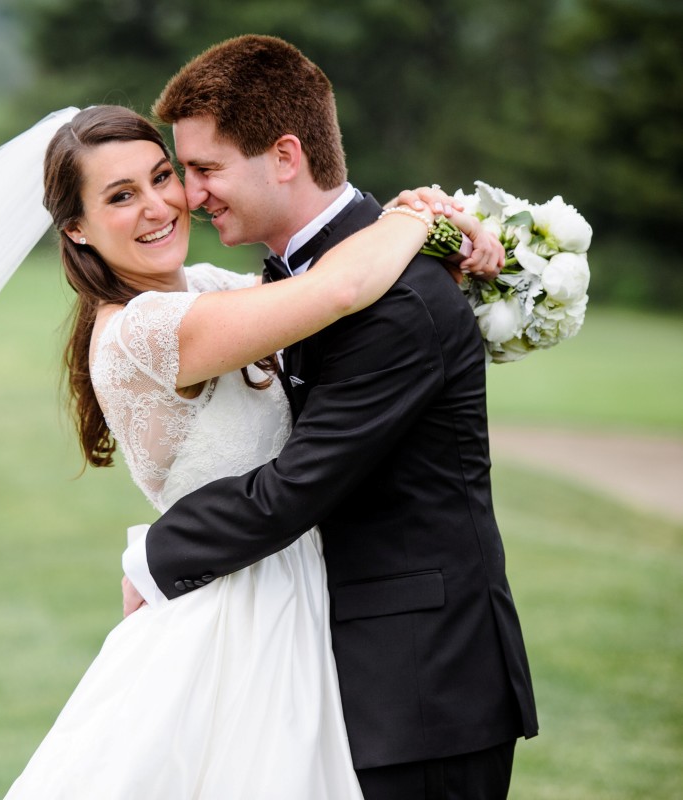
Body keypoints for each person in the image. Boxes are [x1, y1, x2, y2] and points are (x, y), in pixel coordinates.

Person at [0, 102, 498, 799]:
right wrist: (415, 218)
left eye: (162, 176)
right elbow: (339, 287)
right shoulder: (142, 333)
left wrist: (441, 223)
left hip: (303, 593)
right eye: (120, 196)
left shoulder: (208, 289)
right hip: (233, 616)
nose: (159, 206)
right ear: (76, 229)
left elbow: (322, 274)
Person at [121, 35, 539, 799]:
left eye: (206, 169)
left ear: (285, 156)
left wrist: (154, 557)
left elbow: (301, 484)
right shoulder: (295, 279)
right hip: (330, 665)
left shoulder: (401, 300)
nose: (190, 194)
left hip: (420, 683)